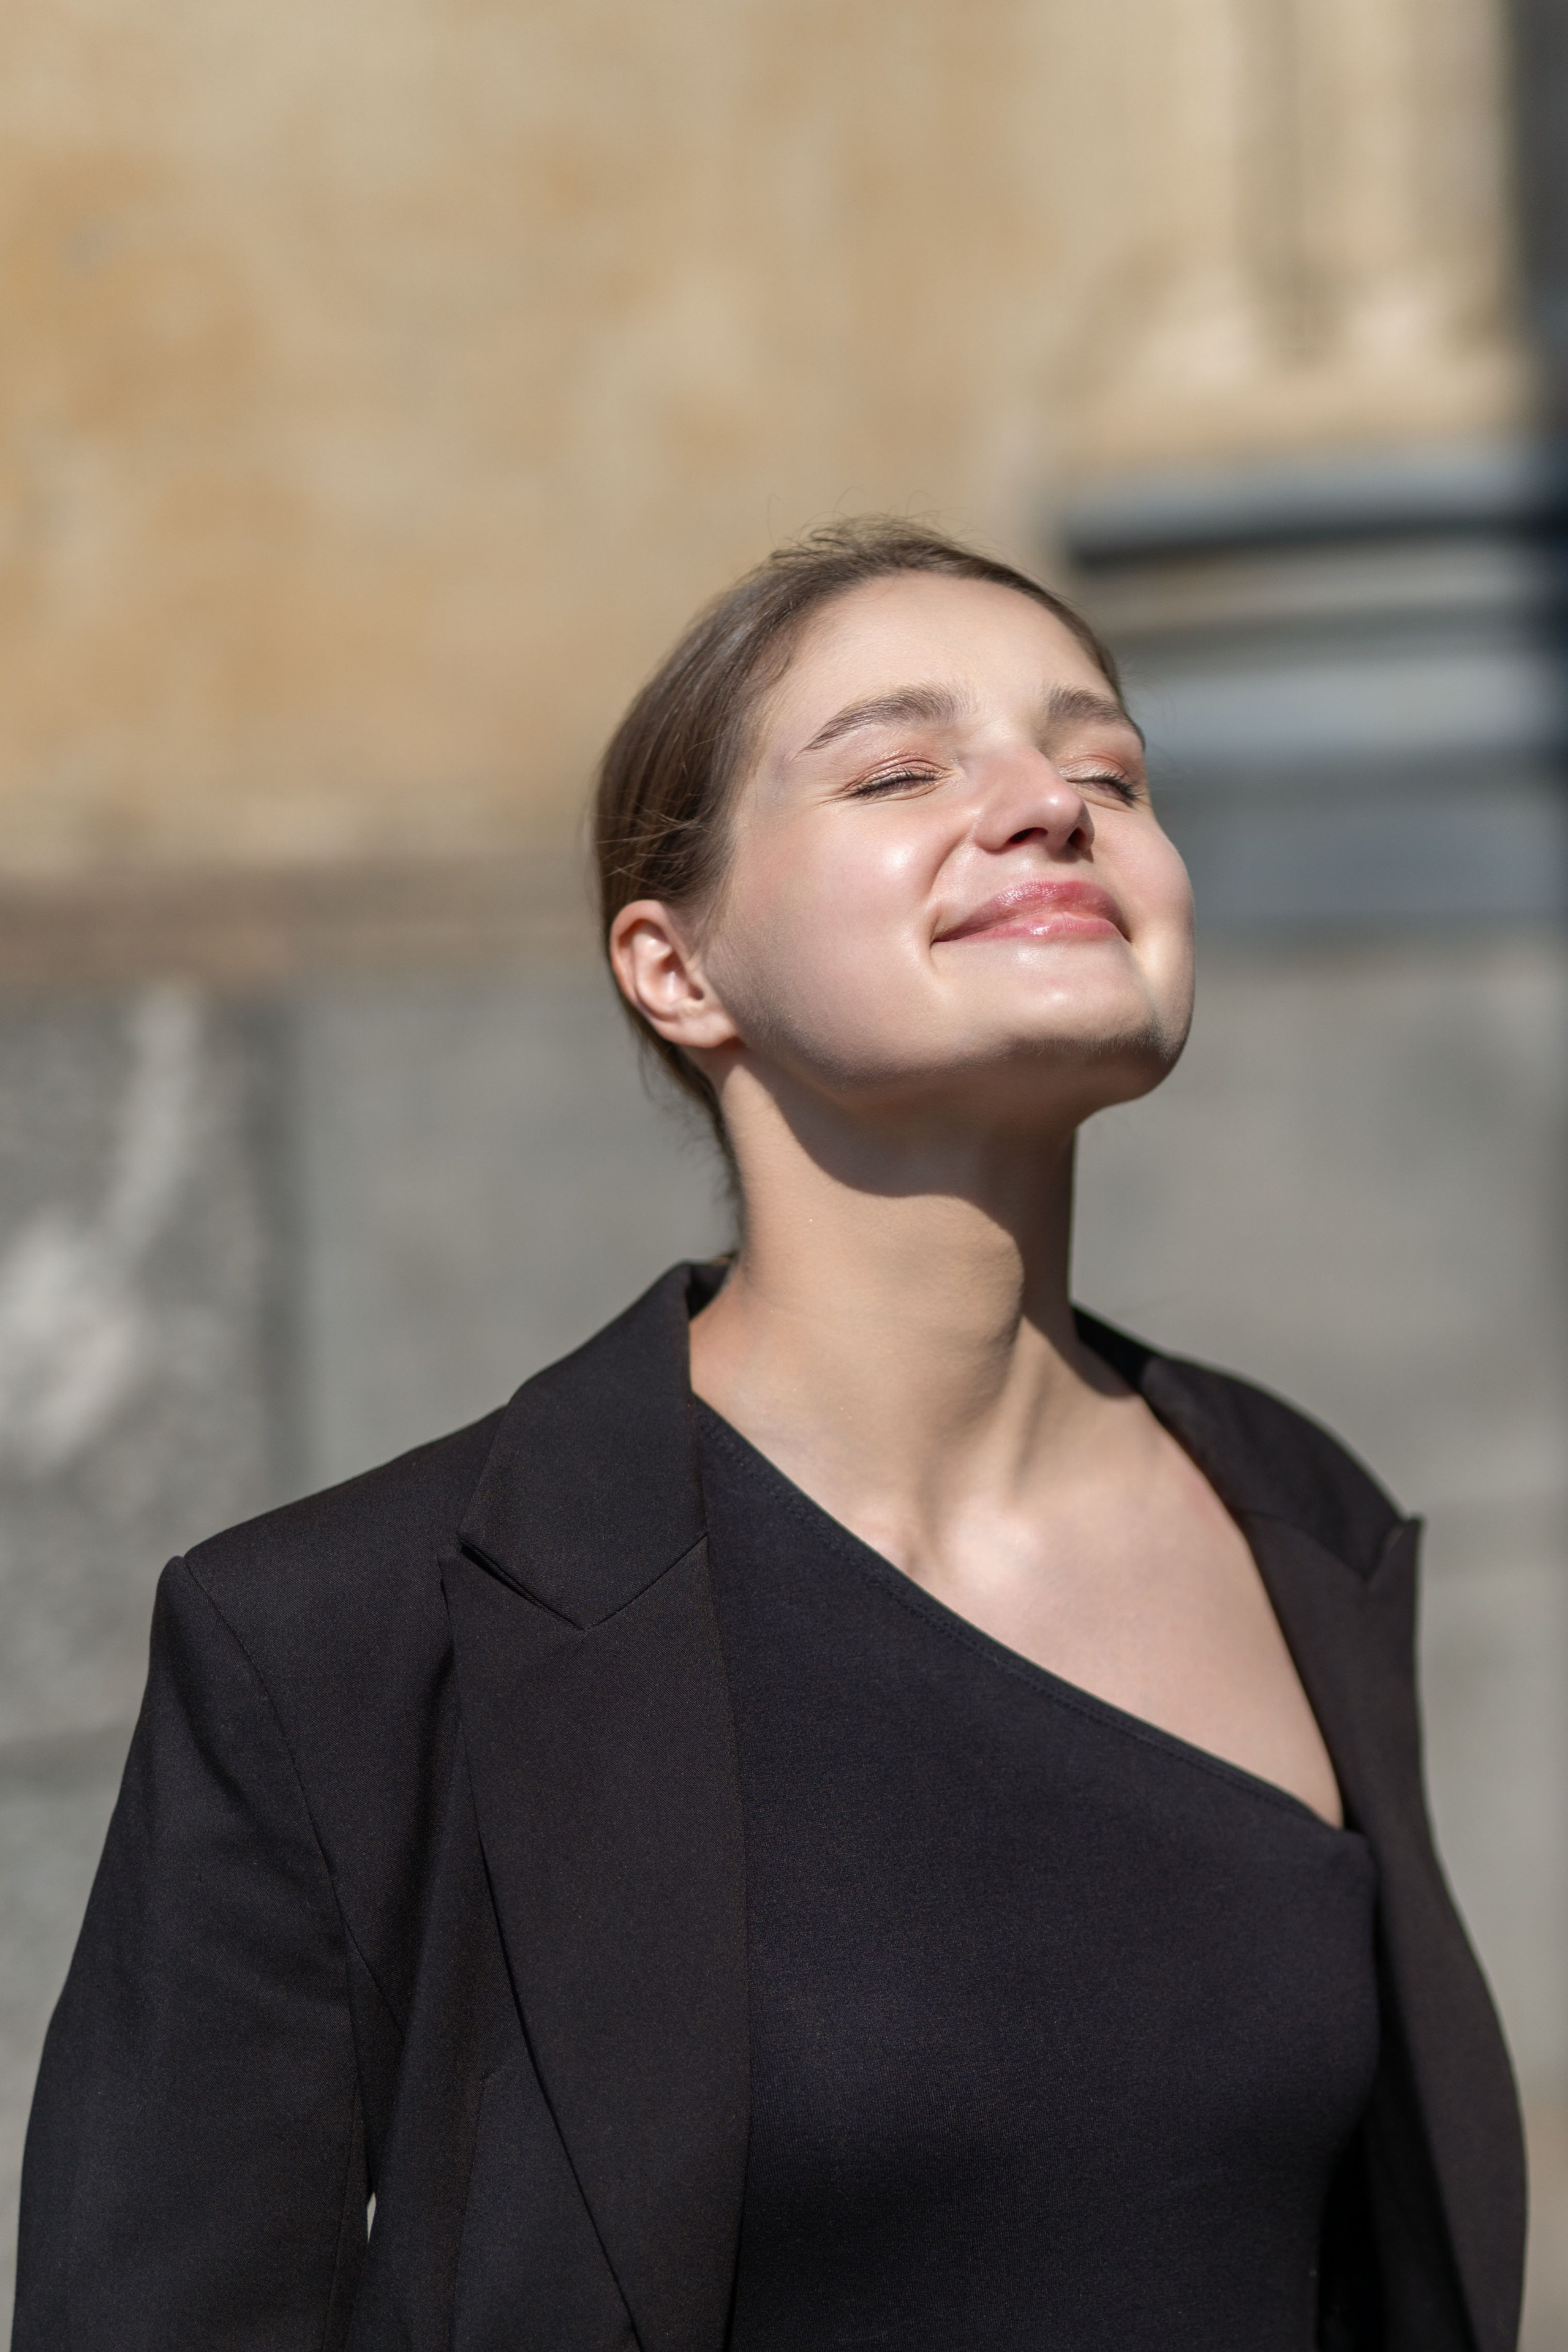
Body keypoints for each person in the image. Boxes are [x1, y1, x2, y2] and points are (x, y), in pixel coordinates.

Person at [15, 521, 1523, 2352]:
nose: (1049, 808)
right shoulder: (341, 1640)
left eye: (1107, 770)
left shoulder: (1298, 1520)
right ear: (676, 968)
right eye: (898, 769)